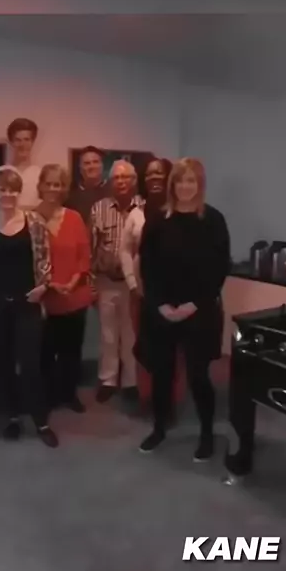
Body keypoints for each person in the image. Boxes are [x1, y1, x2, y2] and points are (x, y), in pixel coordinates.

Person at [135, 157, 231, 460]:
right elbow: (147, 267)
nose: (185, 186)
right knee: (161, 375)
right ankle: (159, 428)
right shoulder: (157, 220)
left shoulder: (213, 220)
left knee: (198, 376)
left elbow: (219, 269)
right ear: (172, 184)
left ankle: (206, 433)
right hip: (162, 311)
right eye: (180, 180)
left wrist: (194, 304)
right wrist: (160, 305)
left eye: (191, 180)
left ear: (199, 184)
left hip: (199, 311)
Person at [0, 166, 58, 446]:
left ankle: (41, 421)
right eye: (2, 189)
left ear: (19, 192)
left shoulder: (34, 222)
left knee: (30, 365)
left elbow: (46, 258)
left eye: (12, 190)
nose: (7, 195)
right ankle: (13, 418)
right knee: (2, 363)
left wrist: (43, 286)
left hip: (27, 304)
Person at [120, 157, 178, 407]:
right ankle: (148, 398)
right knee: (144, 344)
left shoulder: (179, 211)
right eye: (149, 174)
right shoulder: (136, 214)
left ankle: (170, 400)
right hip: (141, 292)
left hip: (173, 293)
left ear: (169, 177)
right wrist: (133, 284)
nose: (154, 178)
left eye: (159, 173)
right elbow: (125, 251)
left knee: (173, 349)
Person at [37, 164, 93, 413]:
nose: (53, 188)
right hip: (44, 299)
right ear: (41, 186)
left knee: (71, 351)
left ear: (64, 188)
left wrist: (72, 281)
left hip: (74, 296)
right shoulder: (30, 219)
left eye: (58, 184)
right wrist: (49, 284)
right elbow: (29, 259)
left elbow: (84, 255)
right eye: (49, 183)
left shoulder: (74, 218)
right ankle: (48, 395)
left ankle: (69, 394)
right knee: (45, 352)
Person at [90, 160, 144, 403]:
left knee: (131, 334)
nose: (121, 182)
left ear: (134, 180)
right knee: (108, 334)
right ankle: (108, 380)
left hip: (135, 284)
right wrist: (92, 280)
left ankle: (131, 381)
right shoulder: (99, 208)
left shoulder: (144, 207)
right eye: (116, 178)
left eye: (126, 177)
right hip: (106, 282)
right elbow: (91, 247)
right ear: (110, 182)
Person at [66, 146, 109, 226]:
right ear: (80, 168)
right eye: (87, 163)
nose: (92, 166)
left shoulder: (113, 193)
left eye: (95, 162)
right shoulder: (70, 196)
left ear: (102, 165)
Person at [5, 117, 41, 210]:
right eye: (18, 140)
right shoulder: (2, 173)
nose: (22, 144)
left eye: (26, 139)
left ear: (32, 142)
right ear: (11, 142)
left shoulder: (41, 174)